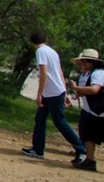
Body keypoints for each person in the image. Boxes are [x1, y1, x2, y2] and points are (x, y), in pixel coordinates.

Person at [21, 32, 87, 163]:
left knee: (59, 121)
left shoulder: (40, 51)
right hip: (54, 91)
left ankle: (81, 150)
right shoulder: (52, 52)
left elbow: (44, 74)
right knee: (40, 119)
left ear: (32, 42)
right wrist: (65, 91)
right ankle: (38, 149)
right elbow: (60, 72)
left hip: (52, 92)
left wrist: (38, 94)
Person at [68, 49, 104, 171]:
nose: (82, 63)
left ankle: (90, 160)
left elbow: (94, 90)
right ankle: (90, 160)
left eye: (84, 61)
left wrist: (76, 87)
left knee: (90, 134)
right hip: (93, 110)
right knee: (87, 134)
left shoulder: (98, 73)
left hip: (99, 110)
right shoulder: (89, 74)